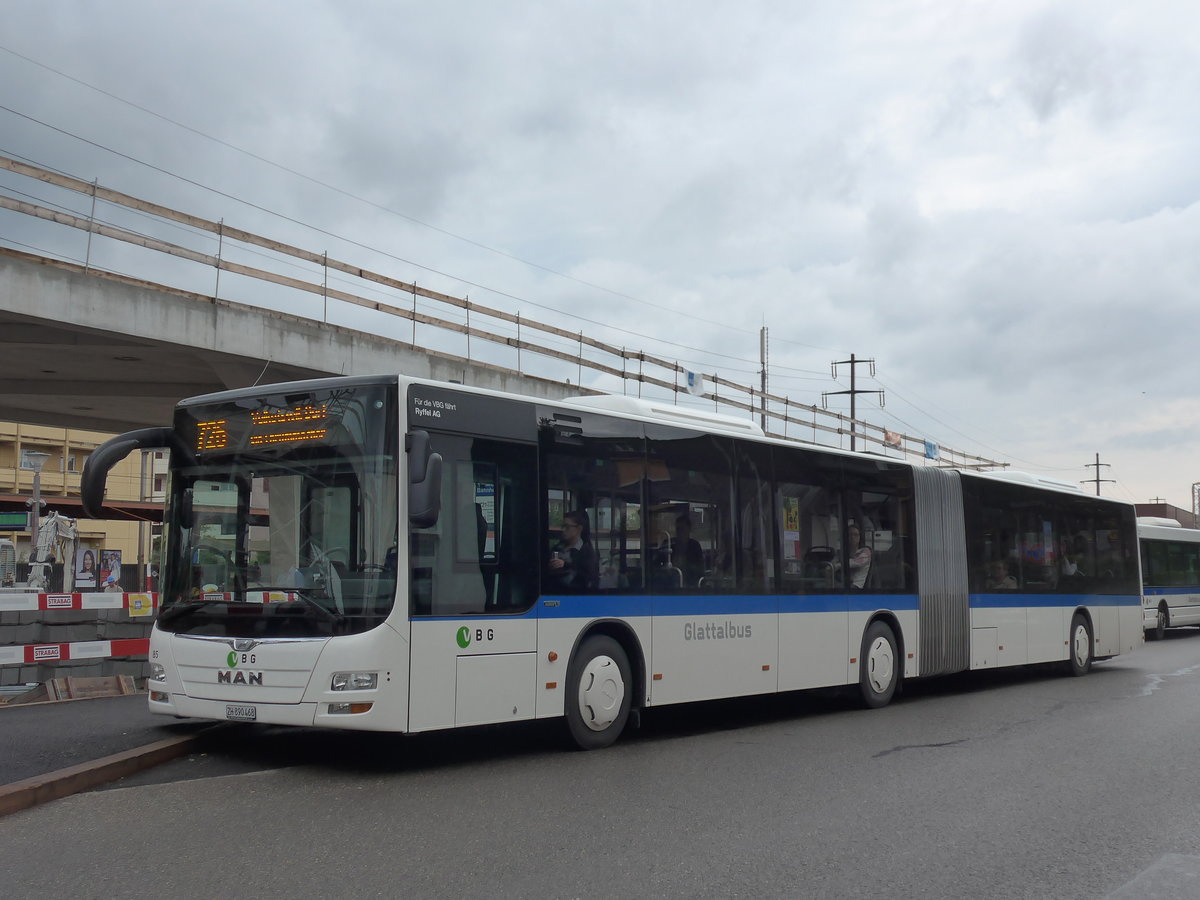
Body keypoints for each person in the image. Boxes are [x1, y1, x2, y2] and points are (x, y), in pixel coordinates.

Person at [547, 510, 599, 591]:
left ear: (579, 528)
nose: (563, 530)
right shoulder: (556, 548)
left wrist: (565, 565)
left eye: (567, 527)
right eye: (562, 526)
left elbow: (589, 576)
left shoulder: (586, 552)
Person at [670, 514, 705, 587]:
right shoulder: (670, 545)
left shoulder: (695, 546)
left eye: (682, 529)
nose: (679, 532)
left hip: (690, 584)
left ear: (689, 529)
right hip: (670, 584)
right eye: (678, 529)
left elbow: (700, 568)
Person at [847, 523, 872, 589]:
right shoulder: (843, 552)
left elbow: (856, 563)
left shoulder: (866, 551)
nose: (852, 537)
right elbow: (834, 561)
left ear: (860, 537)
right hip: (843, 583)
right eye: (850, 535)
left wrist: (837, 565)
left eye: (855, 535)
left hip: (856, 586)